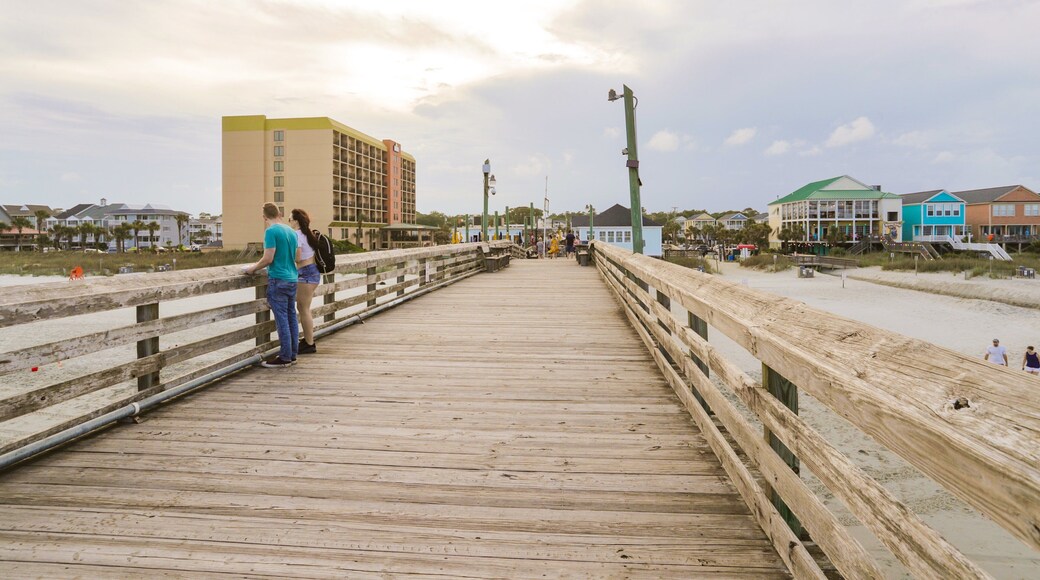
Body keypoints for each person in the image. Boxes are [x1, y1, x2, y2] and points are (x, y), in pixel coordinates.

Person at [243, 203, 299, 368]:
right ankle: (292, 354)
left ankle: (285, 357)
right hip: (292, 278)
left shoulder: (271, 231)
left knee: (282, 319)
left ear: (264, 217)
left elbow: (268, 258)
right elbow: (296, 256)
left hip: (278, 279)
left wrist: (252, 269)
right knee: (291, 318)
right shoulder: (291, 231)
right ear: (280, 214)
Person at [290, 208, 320, 355]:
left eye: (290, 219)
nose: (289, 222)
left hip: (305, 273)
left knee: (303, 309)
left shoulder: (297, 235)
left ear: (295, 221)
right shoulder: (309, 234)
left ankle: (309, 343)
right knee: (304, 309)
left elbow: (298, 258)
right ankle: (307, 341)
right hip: (312, 271)